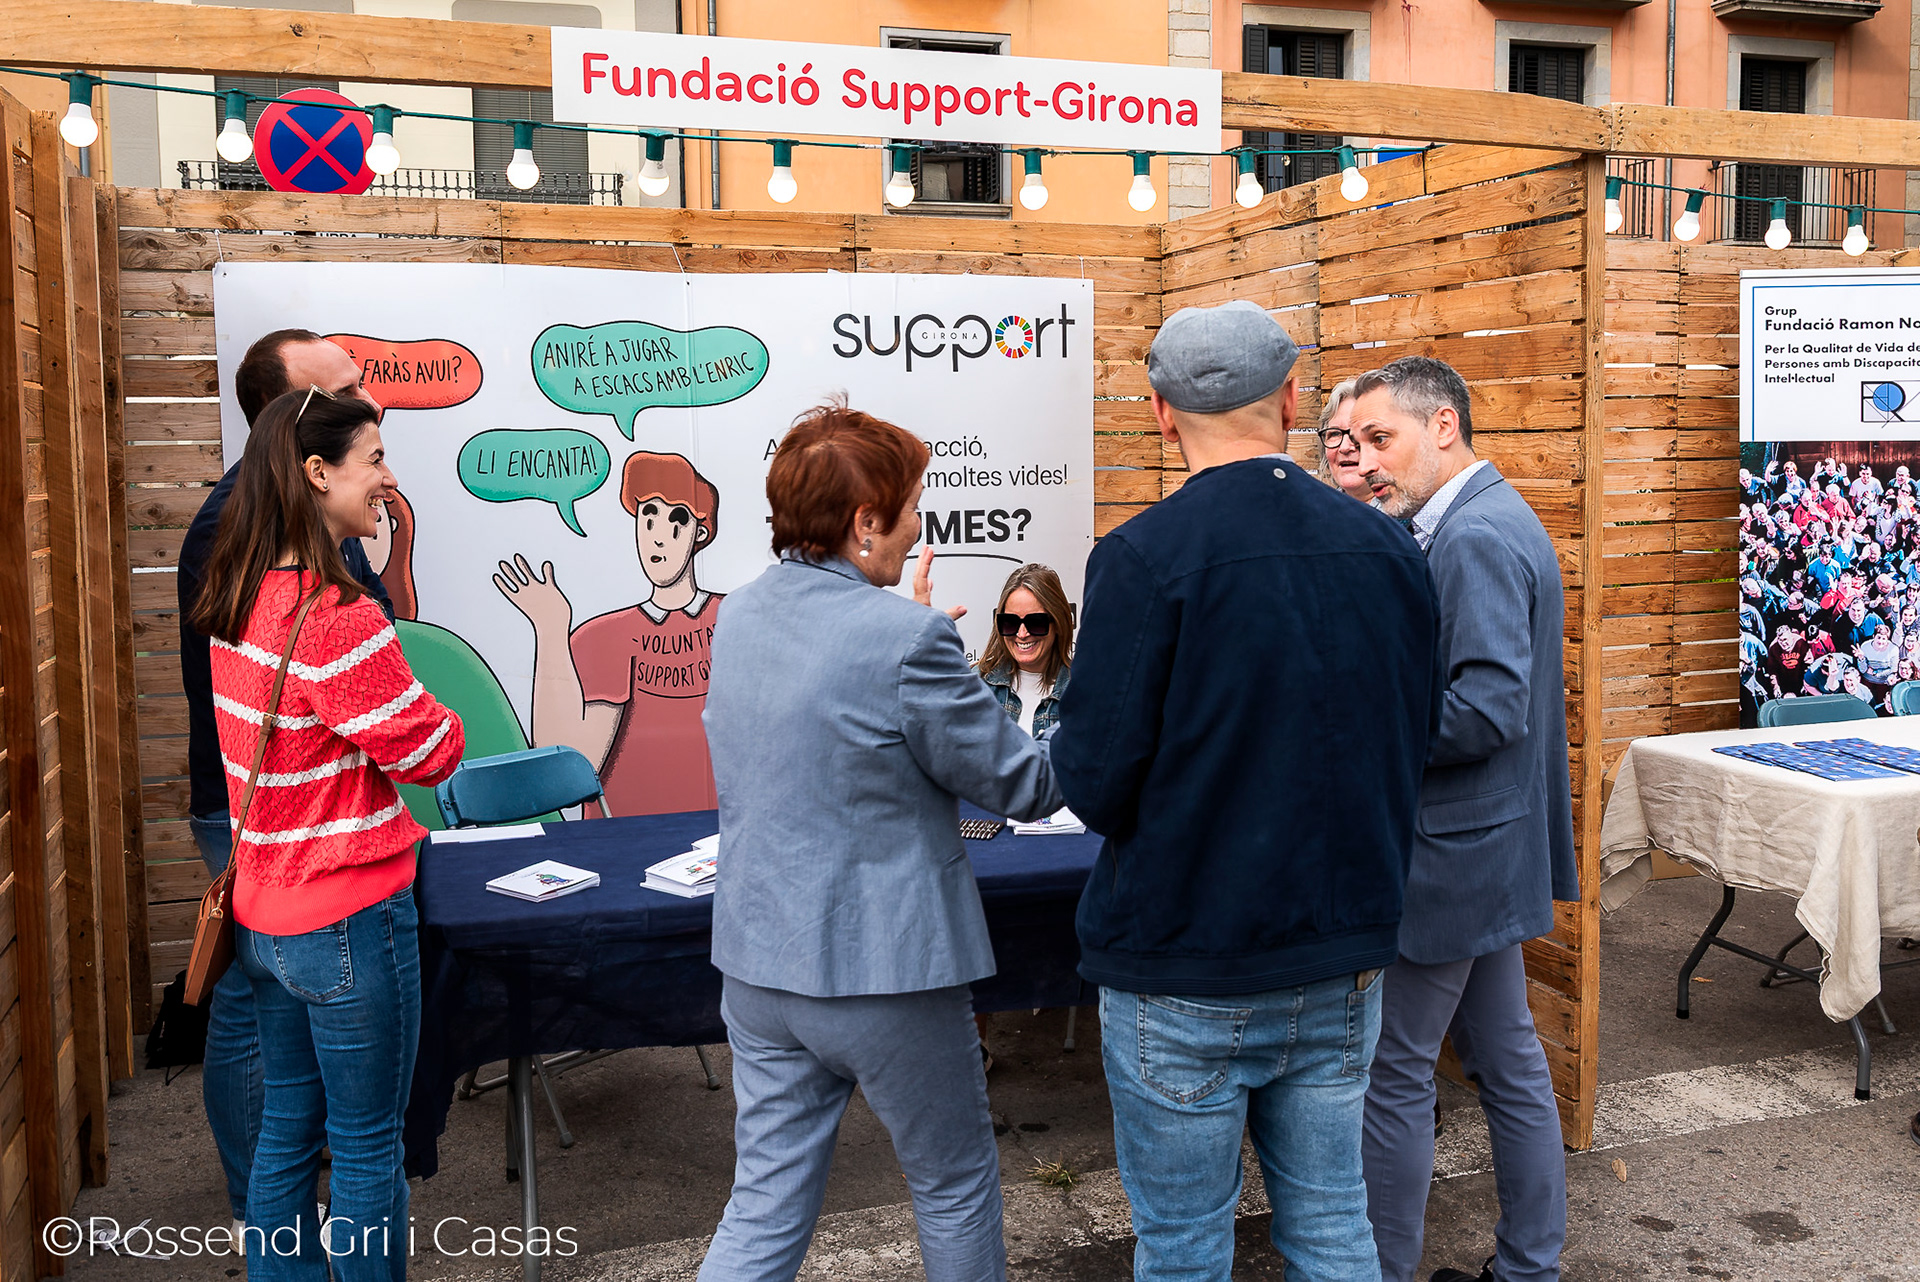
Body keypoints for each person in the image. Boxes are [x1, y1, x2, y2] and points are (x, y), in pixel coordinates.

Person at [1049, 300, 1442, 1282]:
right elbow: (1414, 734)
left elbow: (1092, 780)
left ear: (1160, 414)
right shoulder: (1389, 548)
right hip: (1342, 951)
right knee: (1334, 1228)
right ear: (1294, 399)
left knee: (1184, 1248)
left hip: (1182, 960)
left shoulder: (1141, 557)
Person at [697, 403, 1063, 1282]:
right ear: (865, 521)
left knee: (764, 1203)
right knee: (954, 1184)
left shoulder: (740, 614)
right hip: (886, 966)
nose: (915, 531)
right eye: (911, 511)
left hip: (759, 964)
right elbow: (1028, 785)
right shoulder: (908, 637)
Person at [192, 388, 463, 1281]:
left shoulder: (238, 595)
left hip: (265, 918)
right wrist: (441, 715)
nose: (388, 478)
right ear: (317, 472)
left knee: (286, 1131)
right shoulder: (337, 619)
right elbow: (431, 749)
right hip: (348, 920)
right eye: (374, 459)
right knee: (367, 1144)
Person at [1350, 355, 1580, 1282]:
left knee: (1395, 1074)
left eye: (1381, 438)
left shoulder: (1474, 533)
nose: (1367, 461)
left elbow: (1486, 710)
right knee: (1511, 1061)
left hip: (1452, 857)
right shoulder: (1481, 516)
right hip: (1485, 846)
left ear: (1443, 424)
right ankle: (1529, 1267)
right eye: (1357, 441)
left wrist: (1361, 727)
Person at [174, 329, 391, 1245]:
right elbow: (389, 714)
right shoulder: (241, 534)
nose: (366, 404)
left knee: (293, 1085)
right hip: (268, 814)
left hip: (293, 818)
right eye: (341, 394)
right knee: (255, 1018)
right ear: (296, 437)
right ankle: (257, 1209)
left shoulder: (297, 531)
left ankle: (277, 1219)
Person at [495, 451, 724, 816]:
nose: (658, 538)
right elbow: (565, 768)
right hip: (621, 838)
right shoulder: (605, 637)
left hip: (726, 833)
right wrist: (551, 629)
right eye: (649, 517)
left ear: (699, 532)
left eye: (676, 520)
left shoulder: (735, 618)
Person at [976, 563, 1075, 737]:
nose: (1022, 634)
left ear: (1058, 624)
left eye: (1036, 622)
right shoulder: (975, 685)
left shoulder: (1084, 690)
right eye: (1010, 622)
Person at [1315, 377, 1372, 502]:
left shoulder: (1409, 512)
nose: (1345, 448)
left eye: (1357, 432)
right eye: (1335, 434)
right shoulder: (1318, 510)